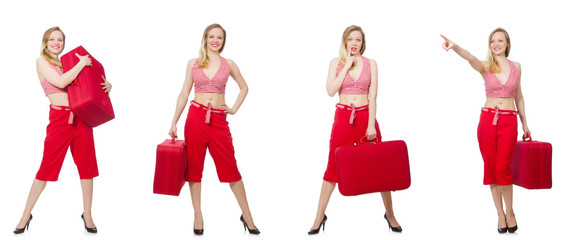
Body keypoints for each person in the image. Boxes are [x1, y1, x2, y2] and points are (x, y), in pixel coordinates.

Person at [14, 26, 112, 234]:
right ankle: (25, 214)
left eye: (60, 39)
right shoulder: (41, 62)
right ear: (45, 42)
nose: (56, 43)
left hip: (81, 119)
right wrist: (82, 64)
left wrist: (106, 85)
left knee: (87, 168)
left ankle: (87, 214)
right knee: (45, 169)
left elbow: (85, 86)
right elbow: (60, 81)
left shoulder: (67, 62)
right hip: (59, 120)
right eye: (52, 39)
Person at [308, 25, 402, 235]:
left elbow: (373, 96)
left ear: (363, 43)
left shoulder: (372, 64)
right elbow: (330, 91)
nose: (354, 43)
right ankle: (318, 216)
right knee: (332, 166)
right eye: (351, 39)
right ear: (345, 41)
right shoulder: (337, 62)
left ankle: (390, 213)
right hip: (343, 117)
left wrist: (370, 124)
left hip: (365, 117)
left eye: (358, 40)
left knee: (380, 165)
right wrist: (347, 65)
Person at [168, 23, 259, 235]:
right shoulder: (194, 63)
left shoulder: (229, 64)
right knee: (194, 168)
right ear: (205, 38)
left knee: (231, 169)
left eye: (219, 37)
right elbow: (183, 94)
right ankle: (197, 214)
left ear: (223, 41)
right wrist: (174, 121)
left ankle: (247, 215)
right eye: (211, 36)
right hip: (196, 118)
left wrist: (234, 108)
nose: (215, 40)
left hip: (219, 120)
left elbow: (245, 87)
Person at [441, 28, 530, 233]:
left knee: (503, 169)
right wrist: (454, 47)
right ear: (489, 45)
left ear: (507, 44)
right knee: (491, 168)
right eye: (493, 41)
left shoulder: (516, 66)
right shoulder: (486, 65)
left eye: (500, 40)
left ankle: (510, 212)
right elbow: (469, 57)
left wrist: (525, 123)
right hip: (488, 120)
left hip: (509, 121)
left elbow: (519, 97)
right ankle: (499, 214)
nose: (496, 44)